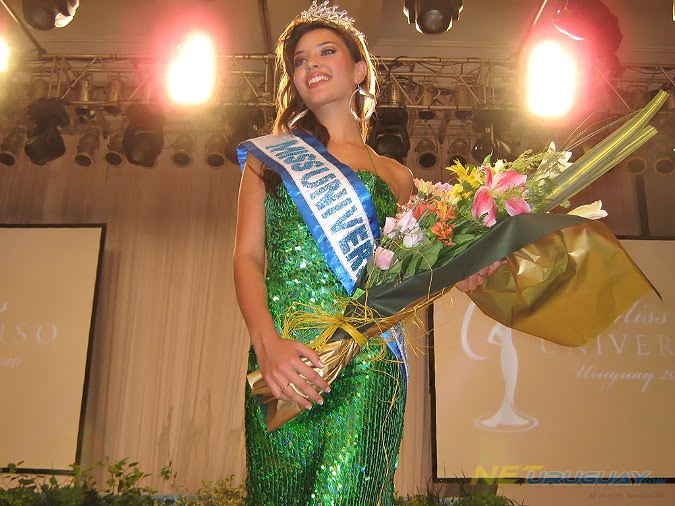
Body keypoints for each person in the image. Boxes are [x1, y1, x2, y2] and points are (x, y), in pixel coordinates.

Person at [233, 2, 499, 504]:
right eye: (299, 59)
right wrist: (266, 344)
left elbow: (414, 271)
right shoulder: (270, 159)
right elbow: (246, 257)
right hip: (284, 360)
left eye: (326, 51)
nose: (310, 64)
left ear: (359, 70)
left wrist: (469, 266)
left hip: (368, 359)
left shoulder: (398, 177)